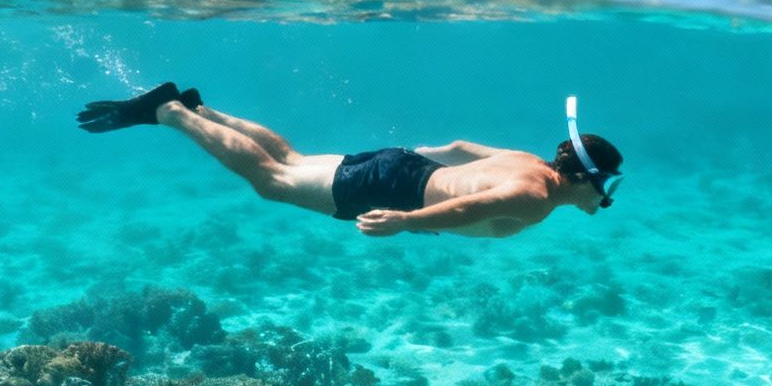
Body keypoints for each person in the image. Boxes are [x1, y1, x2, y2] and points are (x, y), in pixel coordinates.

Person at [77, 83, 623, 238]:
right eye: (609, 186)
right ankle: (172, 113)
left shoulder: (525, 160)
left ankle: (204, 107)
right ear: (588, 180)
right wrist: (406, 219)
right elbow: (470, 209)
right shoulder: (536, 199)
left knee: (292, 156)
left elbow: (457, 148)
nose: (608, 198)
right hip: (397, 192)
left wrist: (409, 158)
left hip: (403, 167)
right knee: (273, 179)